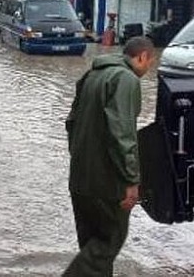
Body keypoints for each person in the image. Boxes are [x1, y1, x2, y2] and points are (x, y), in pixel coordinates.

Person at [63, 37, 155, 276]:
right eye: (150, 63)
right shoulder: (125, 79)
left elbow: (71, 123)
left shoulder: (90, 76)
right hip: (106, 184)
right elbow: (123, 133)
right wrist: (132, 180)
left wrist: (80, 161)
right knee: (106, 244)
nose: (148, 69)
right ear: (142, 57)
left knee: (91, 249)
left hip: (80, 180)